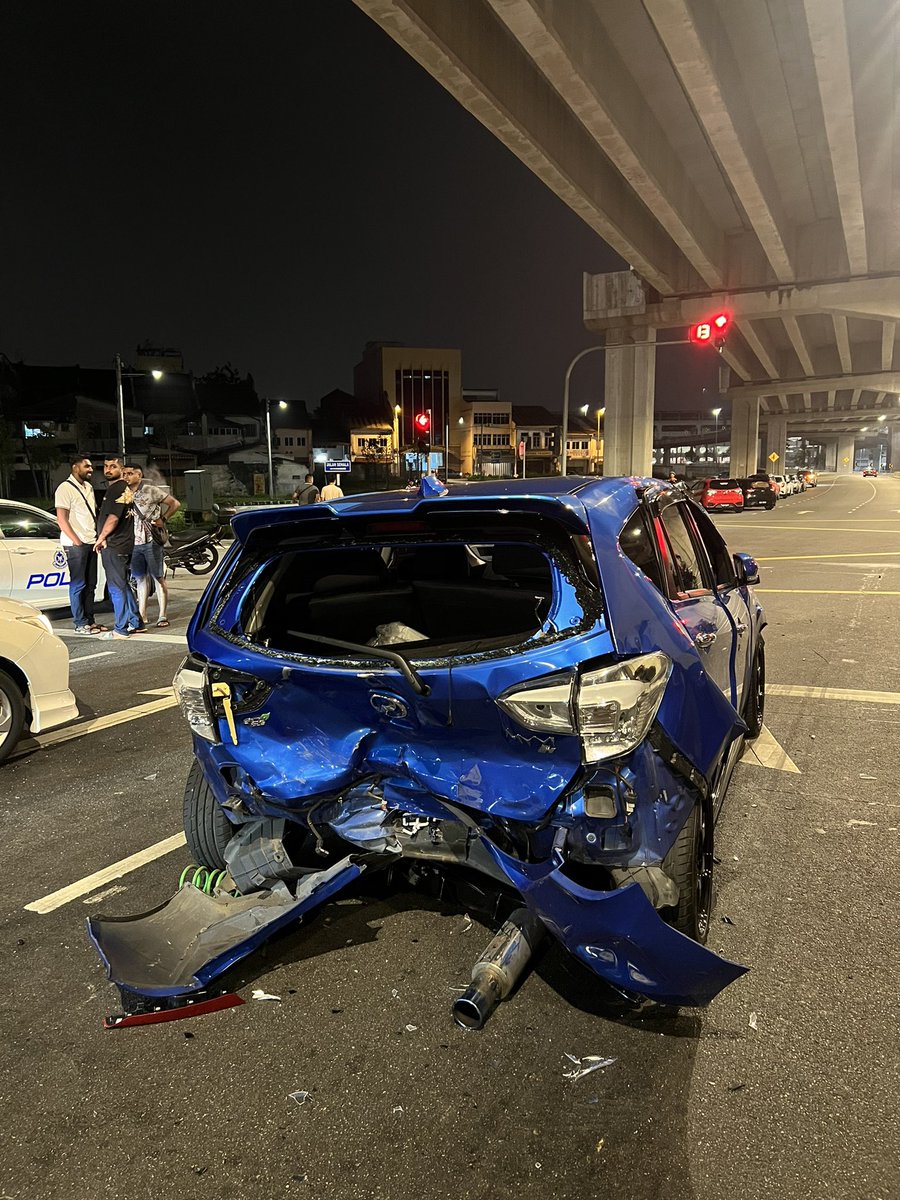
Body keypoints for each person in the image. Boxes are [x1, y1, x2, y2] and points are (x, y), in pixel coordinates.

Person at [54, 453, 107, 634]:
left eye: (91, 466)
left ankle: (90, 620)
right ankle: (79, 622)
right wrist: (76, 541)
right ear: (75, 467)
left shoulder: (89, 488)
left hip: (91, 541)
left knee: (91, 584)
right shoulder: (64, 488)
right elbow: (62, 519)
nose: (91, 469)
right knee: (78, 584)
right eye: (87, 466)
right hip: (75, 544)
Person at [123, 463, 181, 629]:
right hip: (133, 542)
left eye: (130, 473)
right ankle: (142, 615)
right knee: (140, 578)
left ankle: (162, 615)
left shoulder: (150, 490)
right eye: (124, 473)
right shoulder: (123, 493)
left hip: (151, 540)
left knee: (158, 577)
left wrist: (163, 519)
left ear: (139, 475)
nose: (126, 476)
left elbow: (174, 504)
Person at [93, 456, 142, 638]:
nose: (108, 469)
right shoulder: (125, 489)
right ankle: (136, 622)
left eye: (112, 466)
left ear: (121, 469)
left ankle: (120, 629)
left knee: (116, 587)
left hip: (114, 544)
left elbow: (113, 518)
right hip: (125, 544)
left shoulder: (116, 490)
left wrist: (101, 537)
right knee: (124, 585)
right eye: (105, 466)